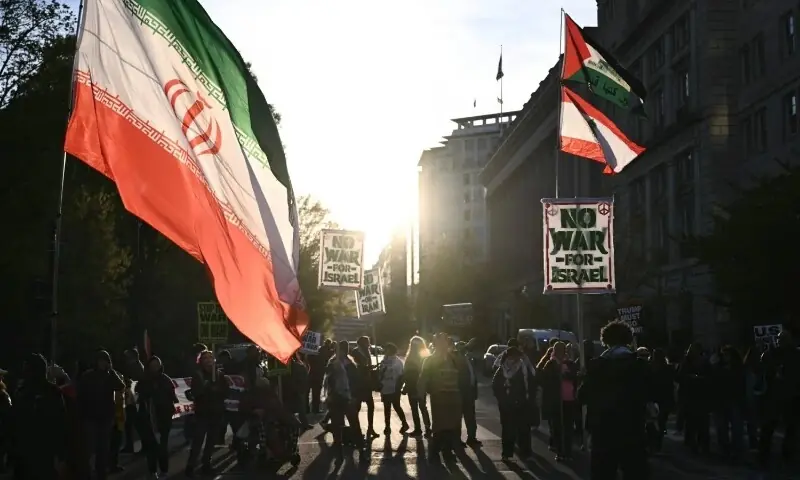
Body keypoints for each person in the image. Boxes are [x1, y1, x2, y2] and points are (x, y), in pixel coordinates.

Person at [579, 320, 652, 479]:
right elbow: (649, 394)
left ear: (606, 340)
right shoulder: (638, 365)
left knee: (603, 474)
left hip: (603, 430)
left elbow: (582, 396)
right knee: (635, 473)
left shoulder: (597, 366)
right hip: (632, 429)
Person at [11, 353, 68, 479]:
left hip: (42, 449)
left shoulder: (50, 392)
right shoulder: (23, 391)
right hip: (27, 450)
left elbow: (60, 423)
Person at [418, 333, 466, 463]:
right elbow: (423, 378)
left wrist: (466, 395)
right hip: (439, 398)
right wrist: (421, 394)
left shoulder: (455, 359)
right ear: (435, 344)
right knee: (439, 426)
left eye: (444, 342)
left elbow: (463, 377)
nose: (442, 345)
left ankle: (448, 452)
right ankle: (434, 453)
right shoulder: (430, 360)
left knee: (452, 426)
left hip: (454, 397)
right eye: (439, 343)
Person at [78, 349, 125, 480]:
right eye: (101, 361)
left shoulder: (110, 376)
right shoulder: (88, 376)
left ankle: (101, 473)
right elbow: (81, 395)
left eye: (105, 361)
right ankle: (87, 473)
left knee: (103, 448)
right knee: (89, 448)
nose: (102, 363)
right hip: (90, 415)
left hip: (105, 416)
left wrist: (111, 371)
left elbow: (120, 386)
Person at [758, 329, 800, 468]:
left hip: (788, 395)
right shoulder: (773, 353)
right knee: (772, 427)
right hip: (777, 395)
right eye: (779, 339)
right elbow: (763, 369)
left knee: (788, 428)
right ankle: (767, 455)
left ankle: (783, 454)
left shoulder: (793, 354)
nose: (780, 341)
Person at [185, 350, 229, 477]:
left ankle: (206, 464)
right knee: (198, 440)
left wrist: (218, 390)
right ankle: (190, 466)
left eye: (210, 358)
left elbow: (226, 392)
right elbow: (196, 392)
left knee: (211, 440)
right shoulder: (198, 375)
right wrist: (206, 388)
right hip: (203, 413)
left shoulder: (219, 375)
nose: (208, 360)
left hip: (216, 412)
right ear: (201, 361)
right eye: (205, 358)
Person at [137, 356, 179, 478]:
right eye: (152, 365)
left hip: (164, 418)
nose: (155, 367)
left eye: (157, 365)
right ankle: (152, 471)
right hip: (148, 418)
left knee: (162, 446)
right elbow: (139, 396)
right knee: (151, 446)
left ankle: (164, 470)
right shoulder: (144, 380)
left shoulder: (166, 379)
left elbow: (173, 397)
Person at [493, 346, 535, 461]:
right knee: (508, 430)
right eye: (512, 357)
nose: (514, 359)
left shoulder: (523, 368)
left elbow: (531, 383)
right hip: (506, 406)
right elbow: (495, 386)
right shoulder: (501, 370)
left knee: (524, 430)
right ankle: (506, 453)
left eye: (516, 357)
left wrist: (528, 398)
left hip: (522, 404)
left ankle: (525, 453)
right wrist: (502, 399)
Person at [324, 340, 364, 454]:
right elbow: (328, 381)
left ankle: (360, 448)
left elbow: (356, 381)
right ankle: (339, 451)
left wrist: (355, 396)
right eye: (342, 350)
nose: (344, 352)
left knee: (353, 424)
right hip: (337, 398)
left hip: (347, 398)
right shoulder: (333, 363)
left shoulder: (349, 363)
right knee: (339, 426)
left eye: (345, 349)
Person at [541, 341, 578, 461]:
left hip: (569, 399)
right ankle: (560, 451)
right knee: (557, 427)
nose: (560, 353)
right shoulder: (550, 364)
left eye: (562, 350)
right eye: (558, 350)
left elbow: (575, 376)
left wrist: (568, 375)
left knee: (568, 427)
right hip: (556, 400)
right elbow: (544, 380)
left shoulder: (570, 363)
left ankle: (568, 452)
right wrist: (557, 376)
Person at [402, 336, 431, 437]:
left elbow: (407, 374)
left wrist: (405, 386)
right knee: (421, 408)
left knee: (416, 408)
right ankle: (426, 429)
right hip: (419, 386)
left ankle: (419, 429)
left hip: (413, 386)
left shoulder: (411, 358)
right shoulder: (424, 356)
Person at [378, 343, 409, 435]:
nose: (385, 351)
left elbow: (401, 376)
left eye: (387, 349)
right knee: (387, 407)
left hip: (394, 388)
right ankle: (387, 427)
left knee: (396, 406)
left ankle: (404, 423)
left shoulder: (398, 362)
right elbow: (380, 373)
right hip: (385, 387)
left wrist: (399, 387)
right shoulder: (384, 361)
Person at [351, 336, 378, 438]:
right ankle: (355, 429)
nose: (368, 344)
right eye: (367, 342)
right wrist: (367, 368)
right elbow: (356, 367)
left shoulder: (367, 352)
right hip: (359, 383)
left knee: (370, 406)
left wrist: (372, 369)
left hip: (367, 383)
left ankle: (370, 428)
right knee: (357, 407)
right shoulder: (356, 352)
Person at [456, 341, 481, 447]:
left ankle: (471, 437)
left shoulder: (469, 359)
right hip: (461, 393)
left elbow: (473, 377)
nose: (463, 350)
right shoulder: (456, 361)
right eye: (460, 348)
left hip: (469, 393)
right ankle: (457, 440)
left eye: (464, 348)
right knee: (458, 418)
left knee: (470, 417)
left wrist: (474, 393)